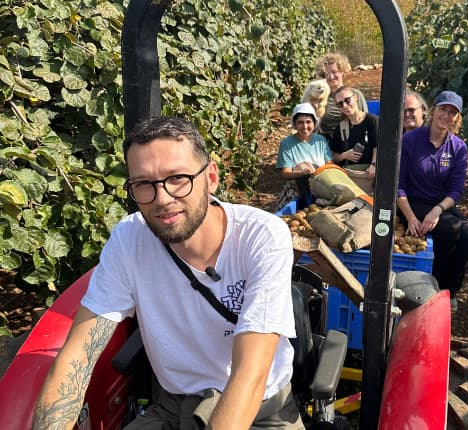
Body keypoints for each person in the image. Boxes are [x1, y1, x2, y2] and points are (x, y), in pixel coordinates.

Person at [32, 117, 303, 430]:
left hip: (258, 413)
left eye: (177, 178)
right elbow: (77, 357)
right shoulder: (129, 240)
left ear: (211, 176)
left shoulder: (261, 236)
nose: (162, 199)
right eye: (143, 184)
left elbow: (249, 376)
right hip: (174, 411)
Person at [397, 91, 468, 312]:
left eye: (452, 113)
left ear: (457, 118)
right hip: (411, 202)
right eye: (443, 109)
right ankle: (433, 287)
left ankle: (449, 290)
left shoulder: (458, 147)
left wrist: (437, 209)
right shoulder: (411, 140)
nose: (447, 115)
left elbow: (456, 190)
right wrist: (411, 217)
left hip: (440, 205)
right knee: (449, 231)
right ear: (433, 111)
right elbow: (399, 185)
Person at [276, 103, 333, 207]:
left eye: (308, 122)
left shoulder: (320, 140)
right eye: (300, 123)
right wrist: (301, 173)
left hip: (321, 185)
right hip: (297, 187)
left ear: (314, 123)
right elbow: (285, 173)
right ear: (295, 124)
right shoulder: (287, 144)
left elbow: (329, 164)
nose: (305, 126)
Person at [329, 86, 378, 181]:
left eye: (347, 100)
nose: (345, 106)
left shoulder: (372, 121)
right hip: (349, 175)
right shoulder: (340, 127)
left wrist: (374, 164)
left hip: (369, 174)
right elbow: (333, 155)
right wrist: (343, 155)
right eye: (340, 104)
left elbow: (378, 146)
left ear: (355, 98)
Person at [315, 52, 368, 138]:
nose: (331, 77)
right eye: (327, 74)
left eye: (334, 72)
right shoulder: (320, 97)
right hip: (327, 143)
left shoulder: (355, 94)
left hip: (352, 140)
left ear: (342, 72)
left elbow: (365, 122)